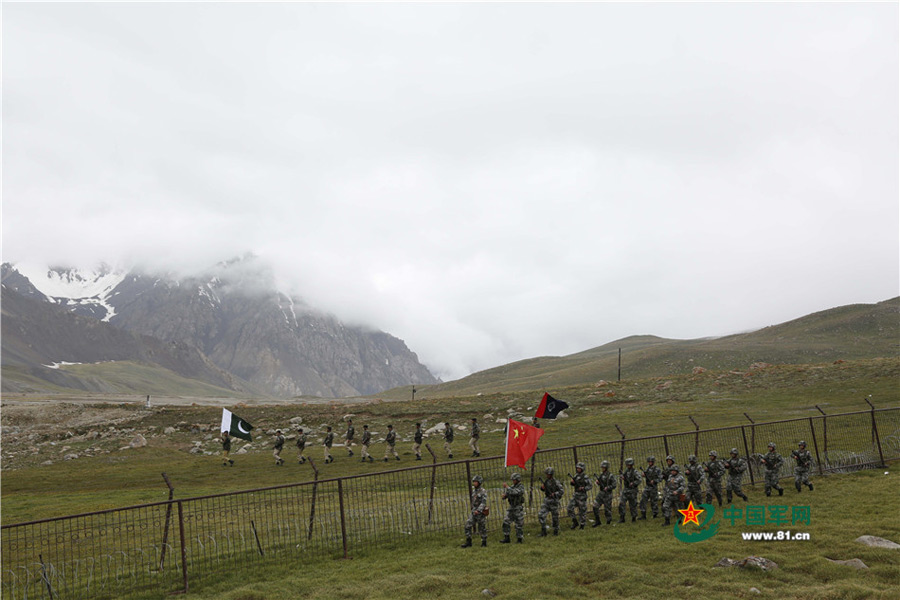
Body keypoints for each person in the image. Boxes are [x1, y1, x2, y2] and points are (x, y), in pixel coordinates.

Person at [461, 475, 488, 548]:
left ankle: (484, 541)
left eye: (476, 482)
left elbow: (483, 502)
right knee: (468, 525)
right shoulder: (474, 491)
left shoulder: (483, 491)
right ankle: (468, 541)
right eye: (474, 482)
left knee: (482, 527)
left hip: (480, 511)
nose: (474, 483)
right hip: (474, 511)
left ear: (479, 482)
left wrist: (478, 510)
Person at [538, 466, 564, 536]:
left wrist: (554, 494)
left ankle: (556, 531)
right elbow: (544, 490)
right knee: (541, 515)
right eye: (546, 474)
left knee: (555, 517)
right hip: (547, 501)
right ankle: (543, 531)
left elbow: (561, 491)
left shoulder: (556, 482)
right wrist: (542, 488)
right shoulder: (546, 481)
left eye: (548, 474)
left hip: (554, 501)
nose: (546, 475)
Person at [500, 472, 526, 543]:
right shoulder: (512, 487)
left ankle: (519, 539)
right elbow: (509, 493)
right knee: (506, 521)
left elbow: (515, 492)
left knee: (518, 524)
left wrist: (507, 487)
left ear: (518, 480)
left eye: (514, 480)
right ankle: (506, 537)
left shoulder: (521, 487)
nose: (513, 481)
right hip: (511, 507)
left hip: (518, 507)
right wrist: (505, 496)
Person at [566, 461, 592, 530]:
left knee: (582, 511)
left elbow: (590, 486)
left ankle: (582, 525)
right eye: (577, 468)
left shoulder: (585, 477)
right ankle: (574, 521)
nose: (578, 469)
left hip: (582, 496)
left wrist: (583, 488)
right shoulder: (576, 476)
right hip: (576, 495)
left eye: (579, 468)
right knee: (569, 508)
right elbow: (573, 484)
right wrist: (572, 483)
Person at [592, 460, 616, 526]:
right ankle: (597, 521)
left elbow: (614, 485)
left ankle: (608, 521)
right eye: (602, 467)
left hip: (607, 494)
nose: (602, 468)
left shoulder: (610, 476)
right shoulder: (601, 475)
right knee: (595, 506)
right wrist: (598, 482)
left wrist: (608, 487)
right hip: (601, 493)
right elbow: (600, 482)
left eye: (603, 467)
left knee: (607, 509)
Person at [618, 458, 641, 523]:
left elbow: (639, 480)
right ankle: (622, 517)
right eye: (627, 464)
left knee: (633, 504)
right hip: (626, 489)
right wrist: (623, 478)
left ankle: (634, 517)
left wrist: (633, 483)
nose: (628, 466)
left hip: (632, 490)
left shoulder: (635, 472)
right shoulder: (626, 471)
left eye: (629, 464)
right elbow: (624, 477)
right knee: (622, 503)